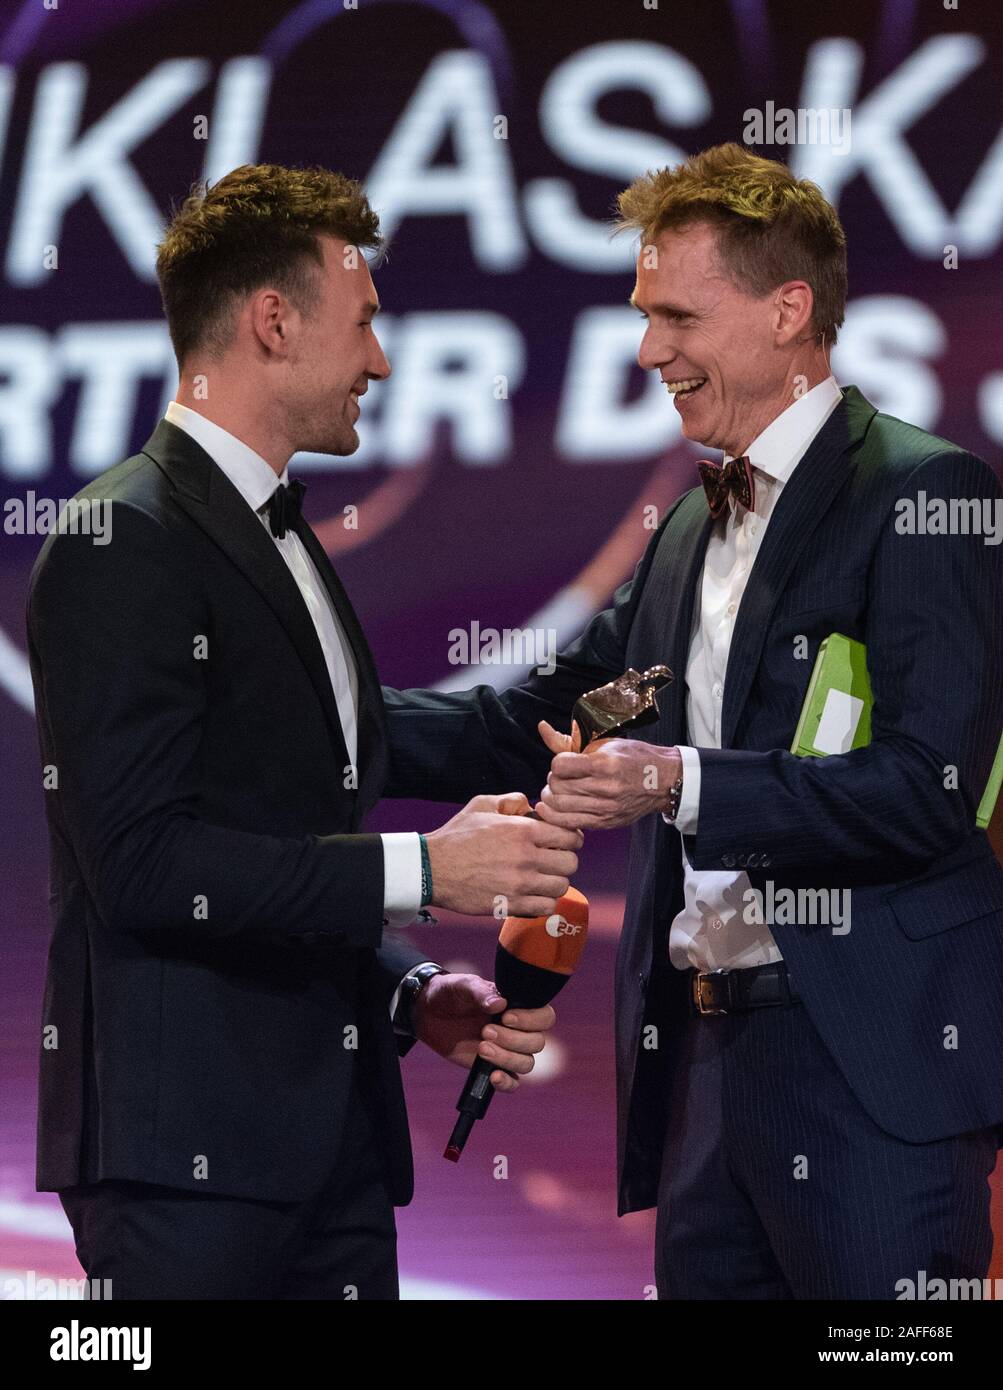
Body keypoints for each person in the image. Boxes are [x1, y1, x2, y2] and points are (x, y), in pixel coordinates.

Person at [381, 143, 1003, 1299]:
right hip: (703, 1070)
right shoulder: (684, 528)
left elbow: (928, 788)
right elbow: (529, 717)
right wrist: (311, 711)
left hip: (868, 1079)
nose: (646, 349)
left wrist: (679, 783)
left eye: (675, 314)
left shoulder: (925, 494)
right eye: (639, 313)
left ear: (787, 310)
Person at [26, 163, 582, 1300]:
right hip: (186, 1175)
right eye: (365, 322)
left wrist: (401, 989)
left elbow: (293, 801)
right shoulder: (118, 538)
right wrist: (428, 868)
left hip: (329, 1157)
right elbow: (143, 865)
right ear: (273, 321)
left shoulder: (266, 528)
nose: (381, 359)